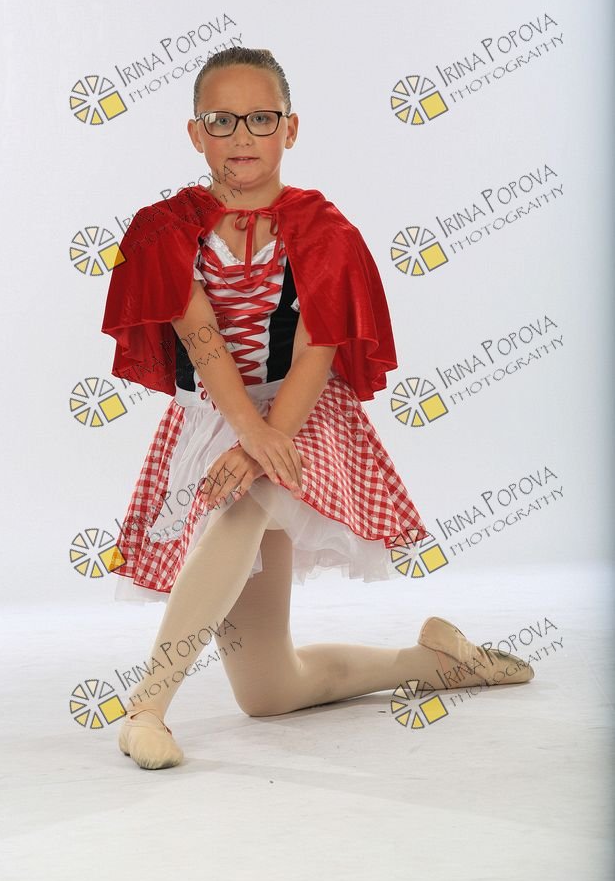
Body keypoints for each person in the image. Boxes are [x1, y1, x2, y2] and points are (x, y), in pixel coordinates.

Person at [101, 46, 534, 771]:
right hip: (218, 412)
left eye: (261, 119)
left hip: (305, 419)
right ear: (196, 133)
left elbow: (317, 350)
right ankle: (434, 662)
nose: (242, 136)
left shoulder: (323, 229)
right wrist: (245, 433)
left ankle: (145, 708)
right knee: (269, 691)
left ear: (290, 128)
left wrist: (265, 442)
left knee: (244, 497)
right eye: (222, 120)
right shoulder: (165, 229)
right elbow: (202, 342)